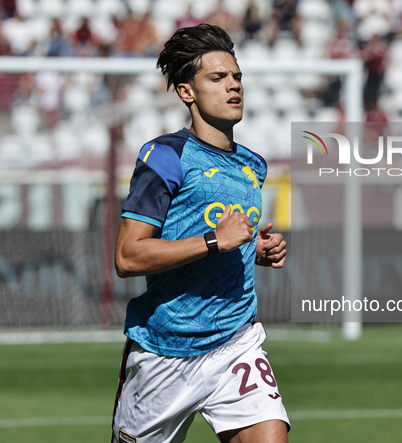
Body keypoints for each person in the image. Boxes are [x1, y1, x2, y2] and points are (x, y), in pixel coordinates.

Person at [111, 24, 289, 443]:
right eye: (217, 78)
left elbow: (229, 238)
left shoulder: (253, 166)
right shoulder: (165, 156)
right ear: (187, 92)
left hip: (235, 342)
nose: (233, 86)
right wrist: (214, 241)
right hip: (165, 352)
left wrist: (253, 251)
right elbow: (128, 257)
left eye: (237, 77)